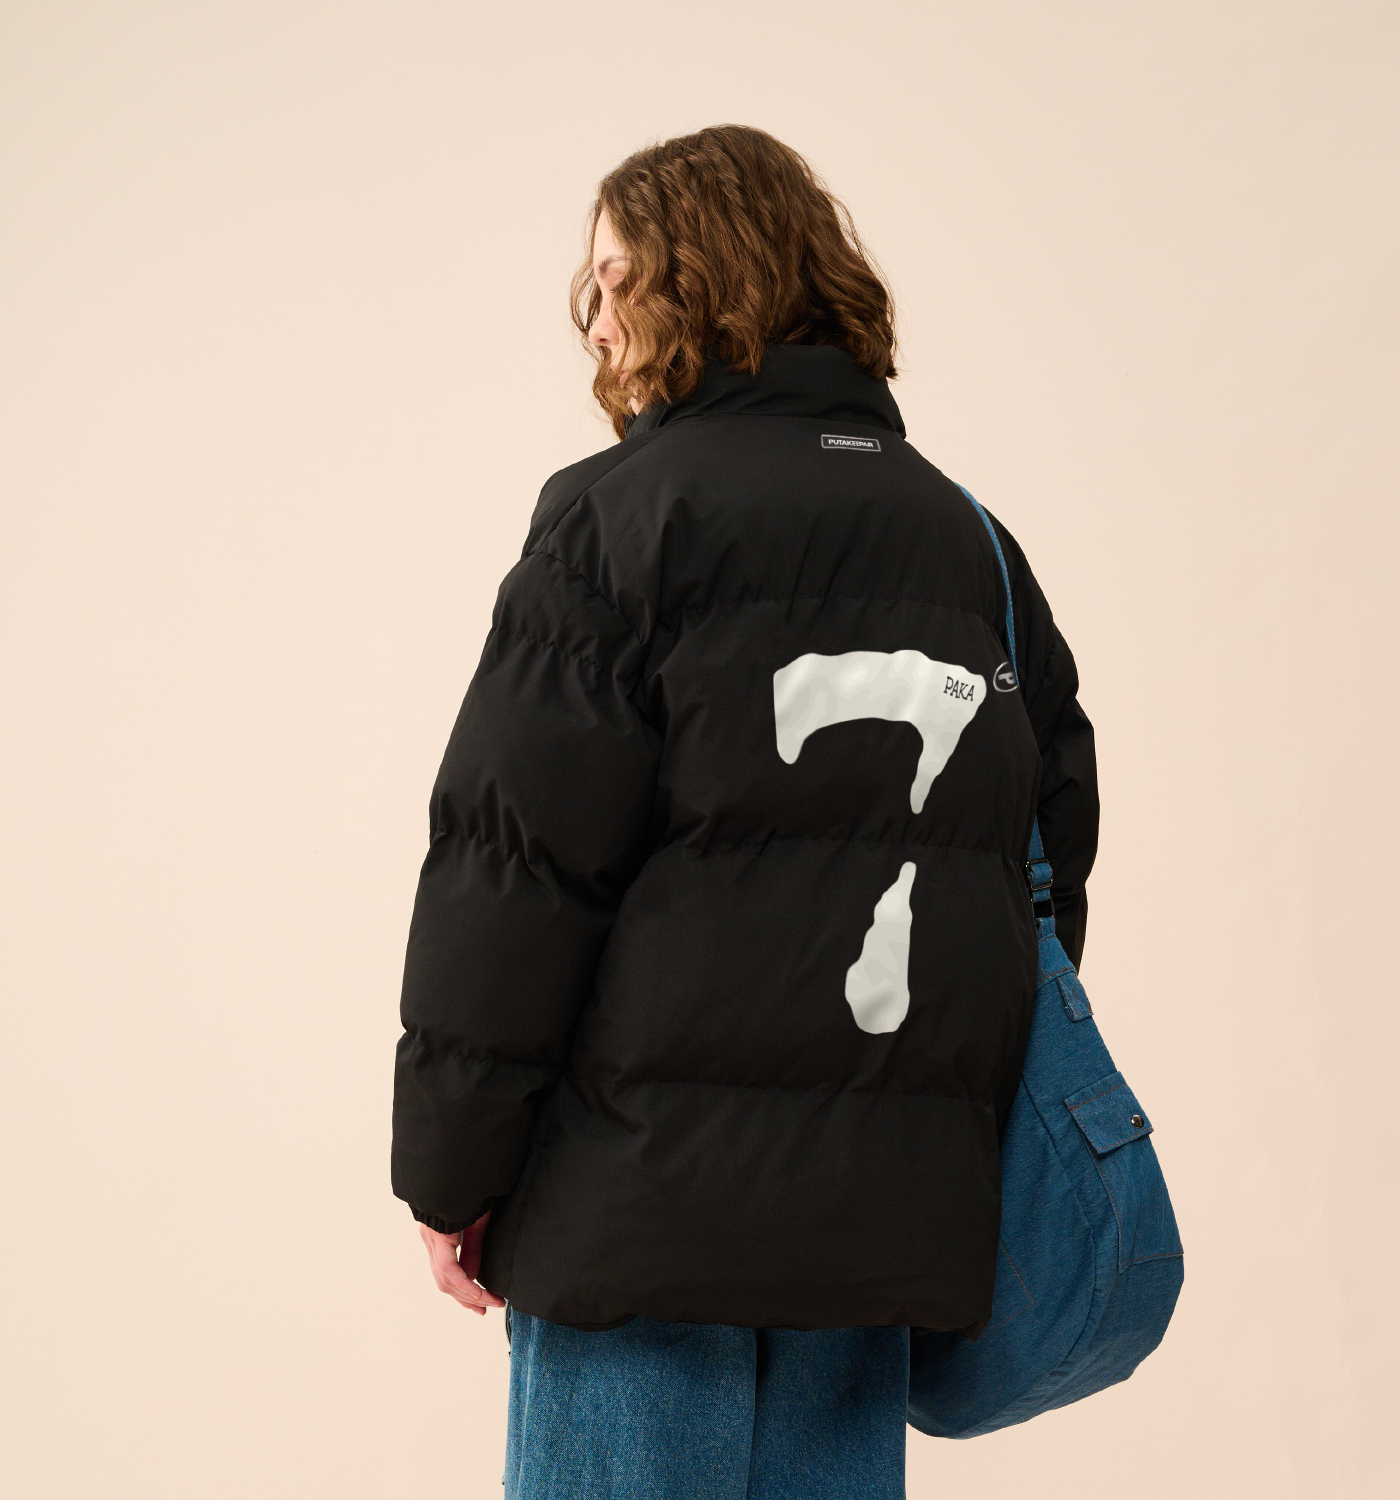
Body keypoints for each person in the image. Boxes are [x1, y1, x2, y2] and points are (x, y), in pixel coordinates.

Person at [391, 124, 1098, 1498]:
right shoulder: (968, 539)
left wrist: (451, 1169)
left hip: (638, 1222)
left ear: (700, 284)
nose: (595, 318)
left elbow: (517, 868)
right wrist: (924, 1100)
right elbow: (1043, 859)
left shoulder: (617, 522)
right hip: (873, 1225)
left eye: (617, 279)